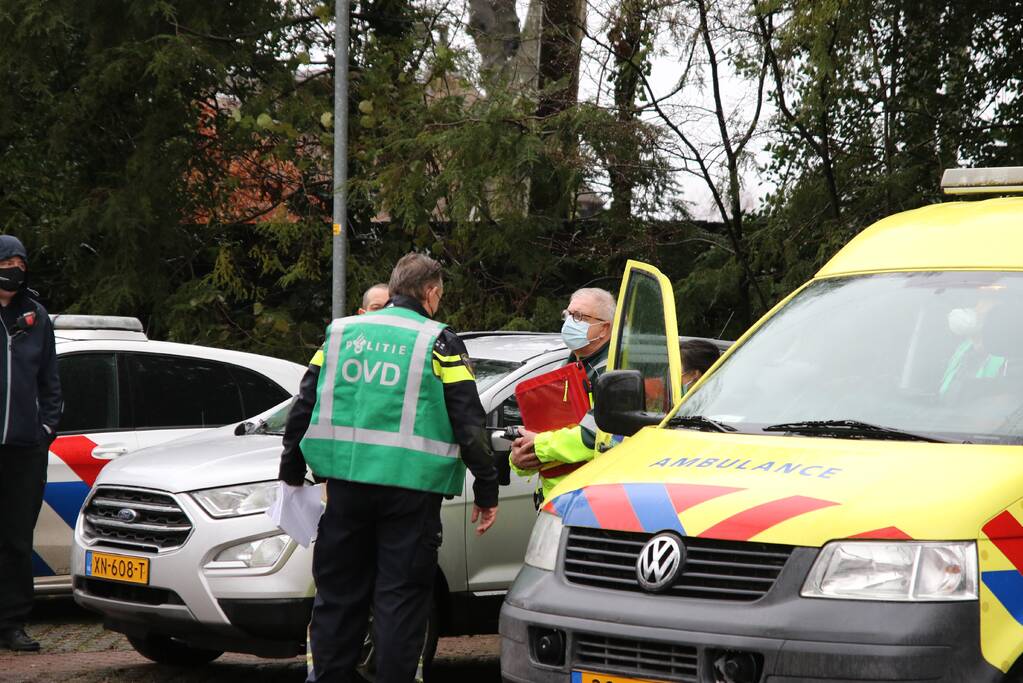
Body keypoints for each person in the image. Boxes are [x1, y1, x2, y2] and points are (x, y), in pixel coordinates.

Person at [278, 252, 499, 683]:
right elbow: (469, 422)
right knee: (400, 600)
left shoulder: (340, 334)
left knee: (338, 596)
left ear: (394, 287)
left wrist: (291, 471)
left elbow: (303, 405)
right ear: (431, 293)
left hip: (344, 490)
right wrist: (487, 488)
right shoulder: (439, 340)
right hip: (411, 495)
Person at [0, 235, 61, 652]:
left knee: (17, 540)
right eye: (8, 260)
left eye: (21, 260)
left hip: (25, 450)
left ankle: (12, 623)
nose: (16, 267)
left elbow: (51, 383)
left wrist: (45, 431)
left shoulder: (36, 317)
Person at [510, 287, 614, 506]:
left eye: (579, 317)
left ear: (604, 328)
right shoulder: (569, 365)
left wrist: (538, 445)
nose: (569, 323)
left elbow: (593, 437)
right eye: (567, 314)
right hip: (555, 500)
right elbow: (545, 429)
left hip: (590, 503)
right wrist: (519, 460)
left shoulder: (611, 374)